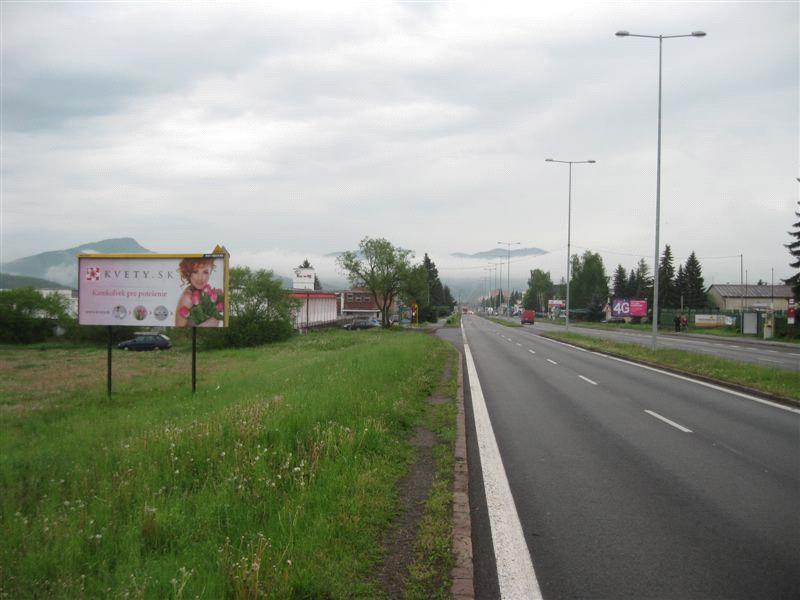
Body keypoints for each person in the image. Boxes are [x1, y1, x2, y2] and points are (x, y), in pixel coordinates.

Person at [175, 258, 221, 327]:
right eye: (195, 271)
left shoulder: (205, 293)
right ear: (188, 272)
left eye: (205, 272)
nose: (200, 278)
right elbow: (179, 329)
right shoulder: (188, 298)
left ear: (210, 272)